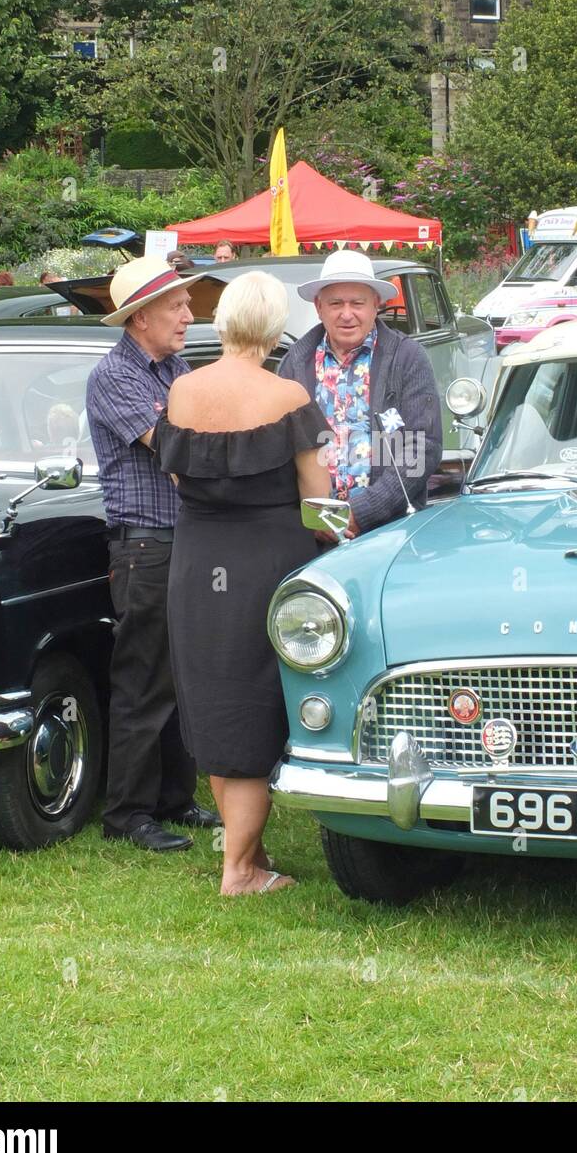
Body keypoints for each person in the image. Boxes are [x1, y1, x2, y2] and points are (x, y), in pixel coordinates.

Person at [156, 271, 330, 895]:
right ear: (274, 324)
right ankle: (242, 869)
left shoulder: (181, 389)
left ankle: (241, 855)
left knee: (214, 703)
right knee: (254, 708)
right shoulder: (288, 397)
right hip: (267, 560)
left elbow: (180, 479)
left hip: (198, 558)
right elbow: (319, 500)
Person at [86, 257, 219, 852]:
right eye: (177, 307)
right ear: (140, 317)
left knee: (177, 674)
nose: (189, 316)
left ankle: (173, 798)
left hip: (174, 540)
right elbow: (175, 447)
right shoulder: (116, 376)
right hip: (145, 545)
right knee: (141, 679)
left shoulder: (174, 369)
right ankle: (128, 814)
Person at [277, 249, 442, 534]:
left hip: (389, 530)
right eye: (335, 303)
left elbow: (422, 447)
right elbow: (280, 447)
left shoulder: (407, 358)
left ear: (376, 305)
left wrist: (364, 511)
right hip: (311, 532)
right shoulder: (295, 362)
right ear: (318, 307)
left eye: (358, 303)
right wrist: (316, 519)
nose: (346, 314)